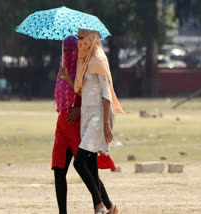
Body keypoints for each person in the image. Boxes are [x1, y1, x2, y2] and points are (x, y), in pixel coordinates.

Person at [60, 29, 123, 214]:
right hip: (86, 117)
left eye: (82, 39)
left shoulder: (98, 60)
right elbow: (83, 91)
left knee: (79, 162)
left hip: (97, 117)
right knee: (92, 167)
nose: (79, 42)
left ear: (91, 38)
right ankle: (110, 207)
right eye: (78, 39)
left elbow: (106, 95)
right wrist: (68, 78)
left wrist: (105, 125)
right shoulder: (85, 60)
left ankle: (99, 205)